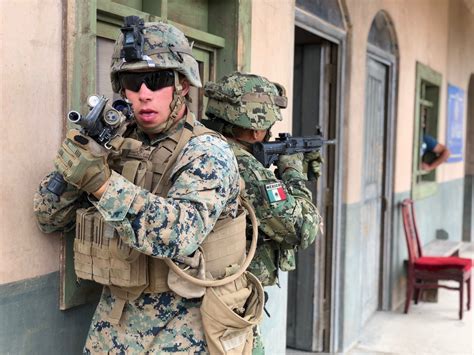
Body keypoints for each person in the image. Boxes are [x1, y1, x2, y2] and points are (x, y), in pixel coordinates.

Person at [33, 17, 259, 354]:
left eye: (156, 80)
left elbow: (180, 235)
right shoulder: (117, 142)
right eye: (132, 81)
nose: (143, 94)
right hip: (116, 321)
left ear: (182, 84)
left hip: (185, 327)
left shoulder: (207, 152)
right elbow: (48, 218)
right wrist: (72, 171)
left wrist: (100, 183)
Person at [203, 72, 324, 353]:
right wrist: (293, 173)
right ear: (258, 130)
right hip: (229, 300)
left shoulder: (204, 145)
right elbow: (302, 228)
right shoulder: (248, 169)